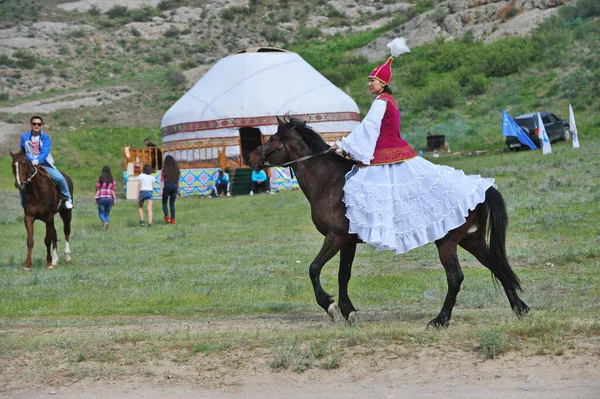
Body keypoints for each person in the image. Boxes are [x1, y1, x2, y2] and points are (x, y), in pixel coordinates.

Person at [330, 38, 494, 254]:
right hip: (394, 153)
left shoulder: (381, 101)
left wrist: (343, 146)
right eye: (369, 80)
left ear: (383, 84)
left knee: (372, 194)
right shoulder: (390, 101)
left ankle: (367, 233)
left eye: (373, 80)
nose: (369, 84)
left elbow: (368, 127)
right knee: (396, 196)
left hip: (385, 156)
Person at [19, 116, 73, 209]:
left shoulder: (46, 137)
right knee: (21, 181)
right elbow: (23, 151)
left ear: (41, 126)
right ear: (31, 125)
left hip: (44, 164)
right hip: (29, 165)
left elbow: (45, 151)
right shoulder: (24, 137)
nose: (36, 126)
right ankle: (23, 201)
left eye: (39, 124)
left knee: (59, 178)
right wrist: (32, 160)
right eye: (34, 124)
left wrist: (37, 160)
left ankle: (67, 198)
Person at [95, 165, 116, 230]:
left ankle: (105, 222)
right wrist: (114, 199)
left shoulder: (99, 179)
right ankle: (106, 227)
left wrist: (96, 199)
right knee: (107, 213)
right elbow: (113, 190)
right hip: (110, 199)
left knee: (101, 213)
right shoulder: (112, 180)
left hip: (101, 198)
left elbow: (98, 189)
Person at [160, 155, 180, 224]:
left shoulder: (164, 169)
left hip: (167, 186)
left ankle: (167, 217)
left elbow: (162, 180)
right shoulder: (176, 169)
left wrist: (161, 189)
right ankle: (173, 219)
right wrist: (179, 190)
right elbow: (178, 181)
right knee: (172, 204)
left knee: (164, 202)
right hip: (174, 186)